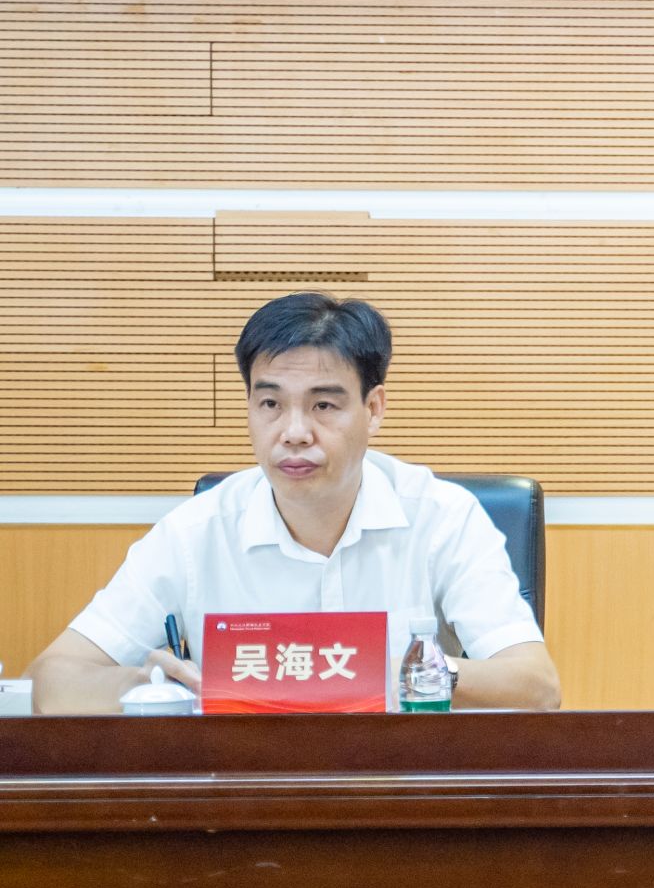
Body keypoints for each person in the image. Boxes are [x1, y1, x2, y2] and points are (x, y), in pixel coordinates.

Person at [27, 292, 561, 713]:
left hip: (398, 785)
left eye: (324, 405)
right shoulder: (194, 532)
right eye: (270, 403)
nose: (294, 432)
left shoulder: (442, 517)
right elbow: (53, 682)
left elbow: (534, 685)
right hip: (241, 790)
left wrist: (385, 670)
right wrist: (162, 685)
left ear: (374, 408)